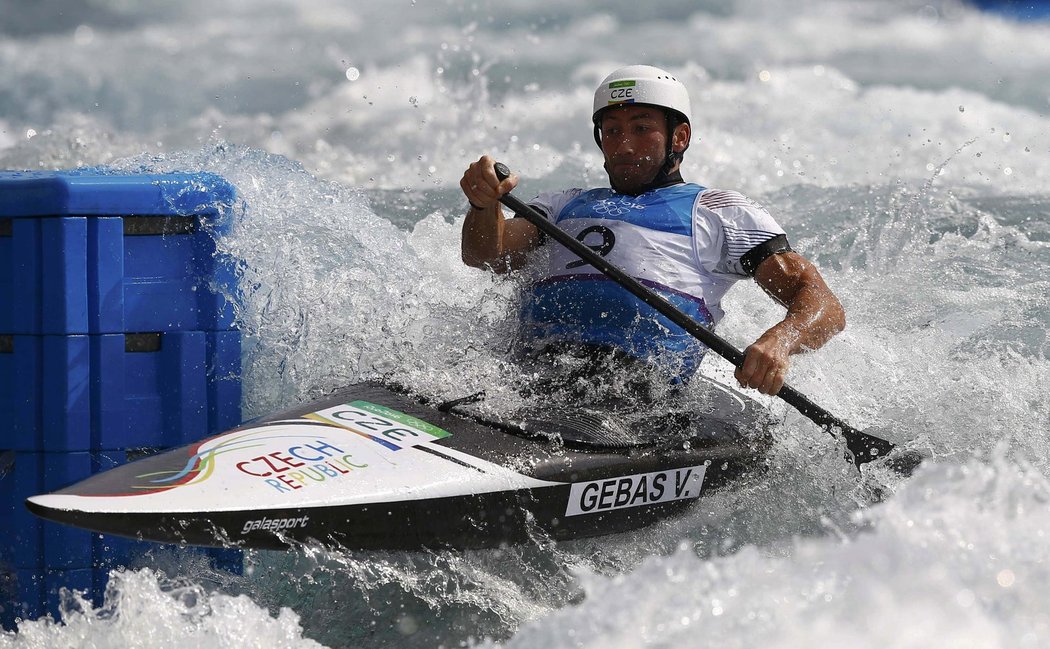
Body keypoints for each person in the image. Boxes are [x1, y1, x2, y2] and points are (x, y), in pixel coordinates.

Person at [459, 64, 845, 400]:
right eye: (611, 131)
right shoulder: (562, 205)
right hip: (520, 380)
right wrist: (484, 204)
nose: (623, 146)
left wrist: (780, 341)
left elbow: (824, 305)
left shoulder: (719, 210)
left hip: (640, 395)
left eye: (641, 129)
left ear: (679, 137)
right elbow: (486, 256)